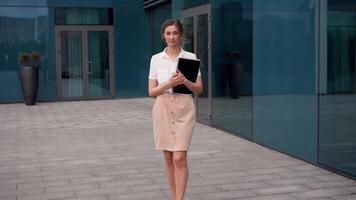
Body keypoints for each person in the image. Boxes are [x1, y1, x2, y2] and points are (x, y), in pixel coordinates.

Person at [148, 19, 203, 200]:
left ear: (181, 35)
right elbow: (152, 91)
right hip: (162, 107)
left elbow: (199, 89)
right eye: (168, 33)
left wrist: (184, 81)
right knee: (168, 158)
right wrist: (170, 83)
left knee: (179, 157)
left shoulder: (191, 58)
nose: (172, 37)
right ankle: (175, 197)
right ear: (164, 36)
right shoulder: (156, 59)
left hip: (184, 108)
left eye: (175, 33)